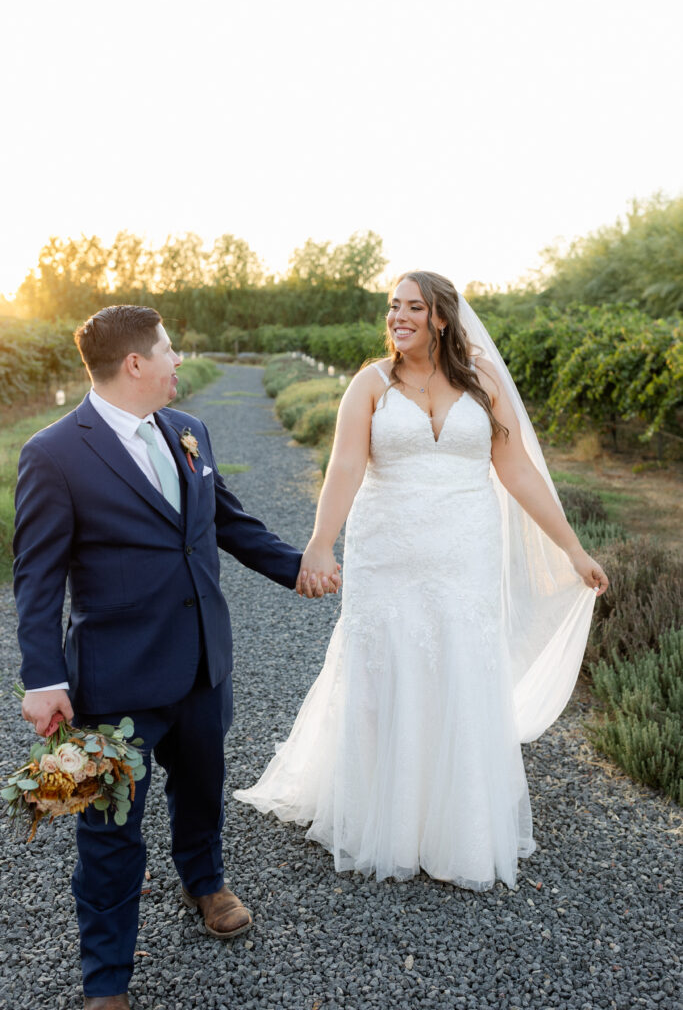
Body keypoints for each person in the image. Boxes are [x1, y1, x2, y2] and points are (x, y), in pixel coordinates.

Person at [235, 271, 609, 891]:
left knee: (460, 664)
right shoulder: (370, 384)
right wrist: (321, 544)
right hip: (389, 552)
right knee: (388, 666)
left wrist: (571, 547)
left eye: (413, 307)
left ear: (441, 318)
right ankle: (387, 816)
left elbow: (514, 469)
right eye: (392, 307)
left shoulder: (483, 381)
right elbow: (346, 466)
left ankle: (456, 822)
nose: (398, 317)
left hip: (464, 551)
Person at [13, 305, 338, 1010]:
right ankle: (106, 980)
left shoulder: (190, 432)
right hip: (112, 681)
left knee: (200, 788)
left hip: (200, 666)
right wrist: (43, 678)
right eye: (168, 350)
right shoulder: (54, 452)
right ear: (135, 363)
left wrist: (299, 569)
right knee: (106, 833)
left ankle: (205, 881)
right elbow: (35, 578)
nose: (177, 361)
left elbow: (226, 522)